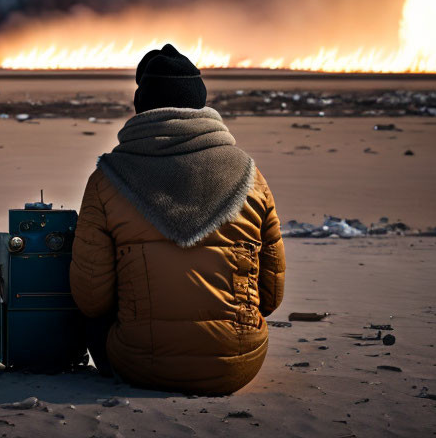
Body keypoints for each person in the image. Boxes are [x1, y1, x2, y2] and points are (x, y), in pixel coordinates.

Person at [69, 44, 286, 395]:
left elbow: (91, 299)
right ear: (200, 103)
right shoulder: (250, 176)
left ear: (141, 107)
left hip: (138, 363)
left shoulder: (108, 179)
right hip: (239, 363)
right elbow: (271, 296)